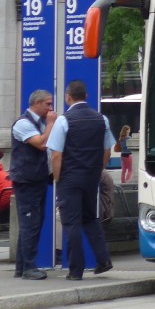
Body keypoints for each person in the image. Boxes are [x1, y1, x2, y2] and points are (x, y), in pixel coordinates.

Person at [48, 80, 115, 280]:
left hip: (69, 178)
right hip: (91, 177)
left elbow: (56, 155)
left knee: (71, 223)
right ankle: (103, 260)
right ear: (86, 96)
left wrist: (58, 178)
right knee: (89, 219)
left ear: (68, 97)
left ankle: (76, 270)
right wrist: (97, 170)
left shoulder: (63, 121)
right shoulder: (101, 119)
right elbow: (107, 150)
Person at [10, 89, 56, 279]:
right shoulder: (23, 123)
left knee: (32, 223)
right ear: (36, 104)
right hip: (27, 180)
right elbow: (41, 144)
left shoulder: (38, 123)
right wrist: (51, 124)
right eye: (47, 104)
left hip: (36, 179)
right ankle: (29, 267)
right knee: (30, 223)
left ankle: (22, 266)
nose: (50, 108)